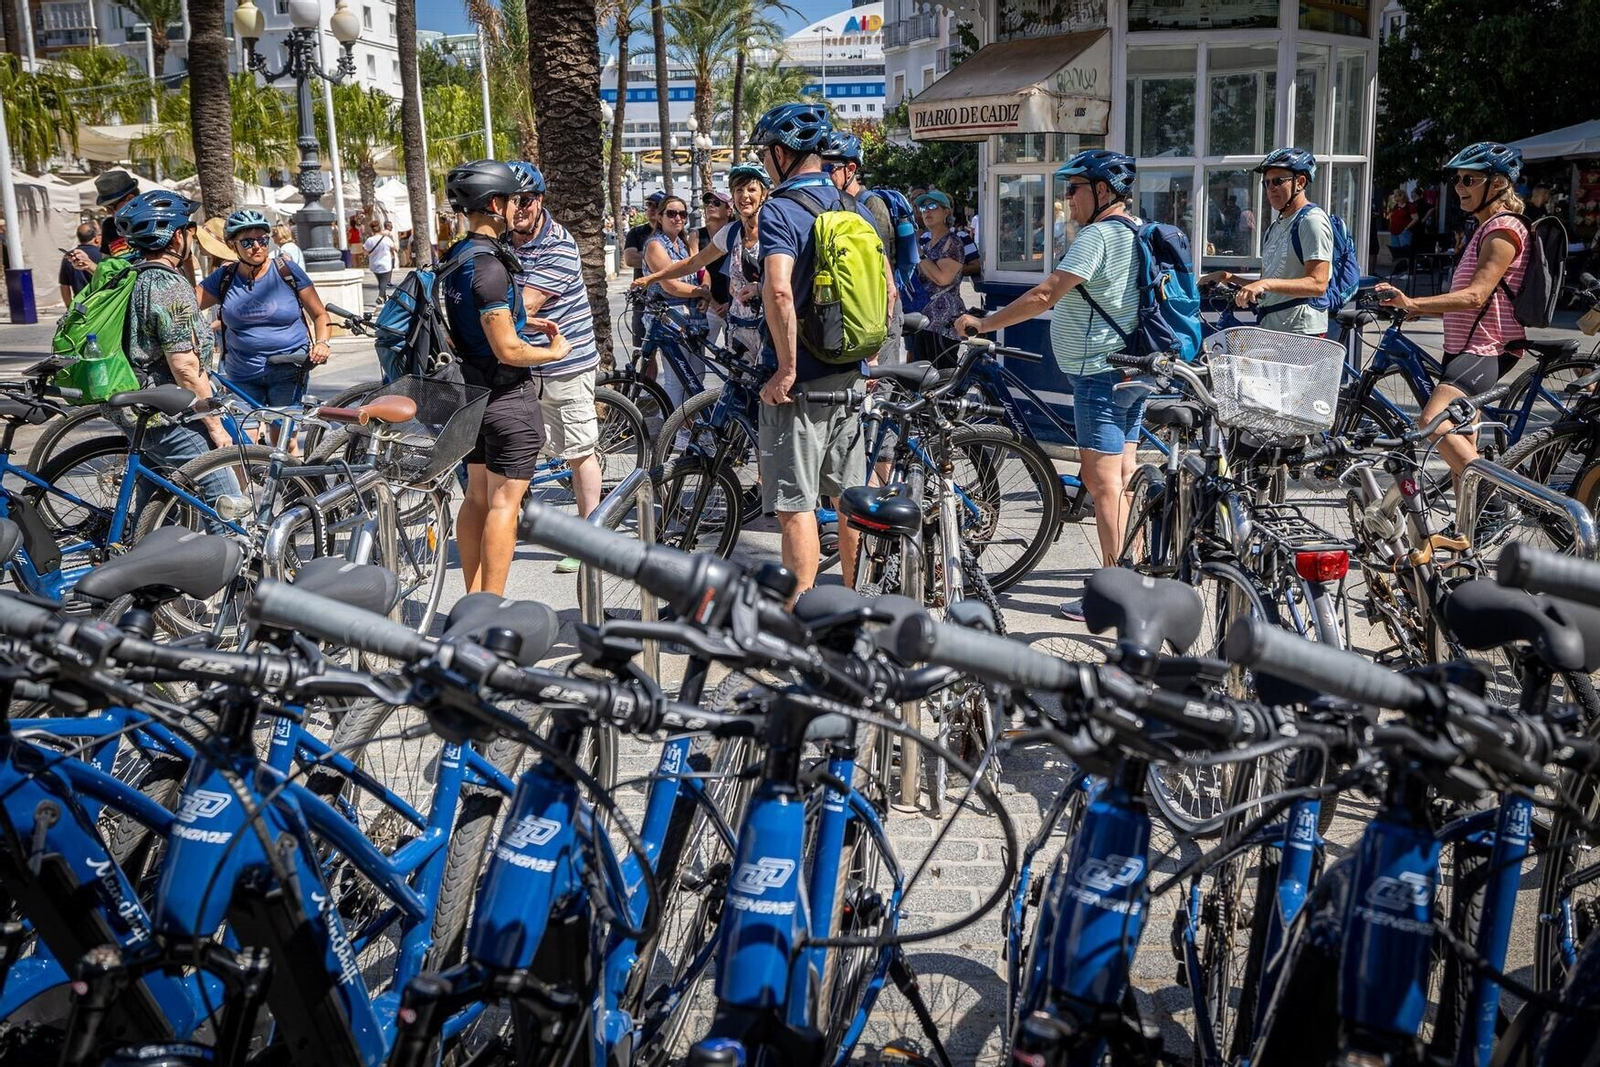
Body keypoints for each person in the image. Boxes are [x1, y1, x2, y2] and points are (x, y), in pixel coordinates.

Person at [952, 150, 1145, 620]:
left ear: (1103, 192)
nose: (1067, 199)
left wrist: (984, 322)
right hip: (1132, 369)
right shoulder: (1137, 232)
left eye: (1074, 189)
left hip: (1099, 373)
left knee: (1103, 486)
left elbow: (1044, 294)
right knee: (1123, 480)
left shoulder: (1097, 236)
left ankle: (1116, 599)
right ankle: (1135, 577)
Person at [751, 102, 892, 602]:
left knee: (796, 505)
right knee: (851, 499)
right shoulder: (850, 205)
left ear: (783, 153)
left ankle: (800, 618)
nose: (765, 164)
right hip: (850, 373)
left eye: (767, 154)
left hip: (802, 381)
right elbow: (887, 290)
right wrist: (870, 358)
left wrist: (785, 369)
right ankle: (856, 603)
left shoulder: (780, 209)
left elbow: (781, 290)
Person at [437, 160, 572, 597]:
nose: (519, 206)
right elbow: (507, 350)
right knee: (503, 506)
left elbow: (480, 323)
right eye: (514, 199)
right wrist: (551, 351)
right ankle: (490, 605)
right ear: (495, 204)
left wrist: (524, 324)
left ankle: (473, 599)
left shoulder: (457, 256)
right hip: (506, 399)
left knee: (475, 497)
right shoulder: (490, 267)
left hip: (469, 395)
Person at [1374, 142, 1530, 480]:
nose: (1459, 187)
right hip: (1463, 346)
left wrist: (1414, 303)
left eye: (1469, 180)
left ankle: (1494, 500)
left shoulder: (1504, 229)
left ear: (1499, 183)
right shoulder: (1484, 227)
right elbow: (1472, 302)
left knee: (1433, 422)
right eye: (1457, 180)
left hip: (1485, 348)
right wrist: (1420, 311)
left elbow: (1475, 296)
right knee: (1463, 443)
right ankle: (1466, 531)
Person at [503, 160, 604, 574]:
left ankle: (589, 540)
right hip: (525, 364)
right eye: (510, 201)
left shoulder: (558, 246)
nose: (518, 208)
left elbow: (522, 307)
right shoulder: (505, 241)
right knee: (521, 446)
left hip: (566, 364)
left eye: (526, 200)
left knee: (579, 452)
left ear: (540, 201)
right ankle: (509, 524)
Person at [112, 191, 237, 512]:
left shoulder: (129, 276)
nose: (190, 238)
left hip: (136, 410)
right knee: (226, 500)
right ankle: (241, 560)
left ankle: (142, 555)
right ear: (176, 236)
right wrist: (214, 426)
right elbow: (184, 365)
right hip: (169, 416)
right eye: (189, 231)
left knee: (154, 505)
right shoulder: (168, 285)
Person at [198, 209, 332, 455]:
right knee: (243, 445)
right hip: (241, 375)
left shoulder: (286, 271)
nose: (257, 247)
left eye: (262, 240)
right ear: (232, 245)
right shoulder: (224, 277)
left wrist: (322, 343)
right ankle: (244, 494)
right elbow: (186, 304)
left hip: (287, 370)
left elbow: (320, 315)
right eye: (247, 242)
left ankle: (292, 489)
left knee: (283, 441)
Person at [633, 164, 772, 361]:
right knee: (740, 388)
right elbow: (694, 263)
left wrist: (760, 287)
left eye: (751, 189)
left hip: (768, 329)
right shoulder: (731, 233)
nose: (744, 196)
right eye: (738, 190)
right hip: (739, 331)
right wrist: (653, 278)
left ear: (764, 194)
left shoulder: (773, 230)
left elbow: (794, 277)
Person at [1202, 148, 1332, 336]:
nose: (1271, 188)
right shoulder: (1274, 228)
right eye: (1267, 182)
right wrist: (1225, 277)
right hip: (1271, 327)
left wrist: (1265, 284)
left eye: (1278, 181)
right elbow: (1266, 285)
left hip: (1301, 331)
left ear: (1300, 182)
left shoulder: (1311, 221)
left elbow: (1318, 284)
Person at [821, 131, 903, 364]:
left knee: (882, 387)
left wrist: (882, 323)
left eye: (829, 169)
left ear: (851, 169)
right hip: (853, 307)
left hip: (878, 307)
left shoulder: (871, 205)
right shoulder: (834, 204)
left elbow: (880, 270)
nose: (824, 176)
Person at [643, 194, 712, 413]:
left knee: (696, 376)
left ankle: (696, 429)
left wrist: (704, 291)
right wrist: (701, 293)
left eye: (682, 214)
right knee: (676, 378)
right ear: (660, 217)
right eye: (671, 214)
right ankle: (678, 432)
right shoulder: (655, 245)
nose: (677, 218)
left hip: (692, 316)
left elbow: (702, 270)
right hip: (669, 317)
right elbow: (670, 286)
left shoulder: (682, 244)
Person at [911, 190, 966, 364]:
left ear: (946, 212)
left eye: (933, 206)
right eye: (923, 207)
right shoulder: (927, 244)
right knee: (921, 375)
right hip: (923, 319)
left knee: (941, 377)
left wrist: (918, 255)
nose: (927, 211)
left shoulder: (953, 242)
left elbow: (943, 279)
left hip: (943, 323)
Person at [622, 191, 666, 348]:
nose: (652, 209)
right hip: (643, 299)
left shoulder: (671, 232)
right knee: (645, 353)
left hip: (669, 300)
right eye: (649, 205)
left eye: (657, 205)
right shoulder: (637, 232)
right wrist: (662, 260)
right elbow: (630, 259)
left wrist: (644, 256)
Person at [696, 189, 734, 345]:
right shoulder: (697, 235)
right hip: (707, 303)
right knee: (698, 349)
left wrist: (731, 304)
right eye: (708, 203)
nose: (711, 206)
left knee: (736, 356)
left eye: (717, 203)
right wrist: (712, 302)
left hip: (734, 304)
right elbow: (697, 267)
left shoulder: (737, 232)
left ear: (729, 210)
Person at [58, 222, 102, 307]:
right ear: (96, 238)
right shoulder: (102, 255)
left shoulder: (70, 256)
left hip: (80, 306)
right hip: (100, 303)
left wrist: (69, 306)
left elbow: (64, 286)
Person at [363, 220, 397, 305]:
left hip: (374, 264)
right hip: (386, 264)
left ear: (372, 230)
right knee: (384, 282)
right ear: (380, 229)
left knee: (381, 282)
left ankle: (384, 299)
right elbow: (395, 248)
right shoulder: (386, 239)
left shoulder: (369, 240)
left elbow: (365, 251)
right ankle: (380, 296)